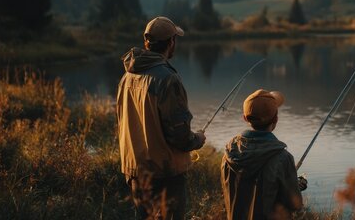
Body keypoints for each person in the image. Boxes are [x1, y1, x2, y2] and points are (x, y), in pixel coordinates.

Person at [117, 16, 206, 220]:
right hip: (165, 172)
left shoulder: (127, 76)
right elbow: (179, 135)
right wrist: (197, 140)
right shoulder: (167, 80)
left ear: (147, 42)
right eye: (175, 39)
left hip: (134, 169)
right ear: (171, 42)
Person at [221, 89, 307, 220]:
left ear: (245, 118)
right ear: (276, 119)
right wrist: (293, 185)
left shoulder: (229, 153)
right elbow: (295, 207)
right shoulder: (283, 159)